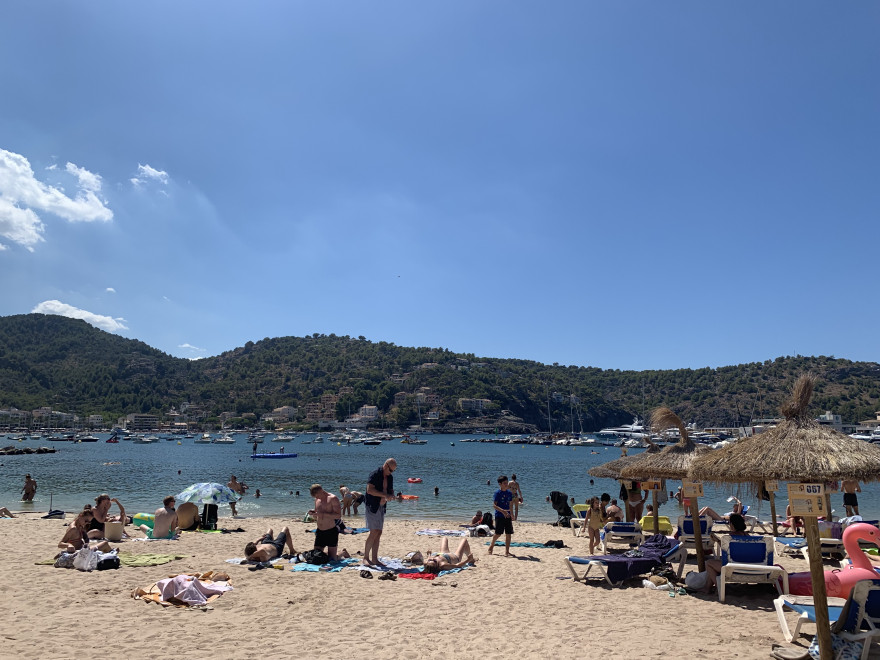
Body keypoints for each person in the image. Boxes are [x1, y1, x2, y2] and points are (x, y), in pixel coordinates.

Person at [702, 514, 749, 593]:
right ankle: (707, 587)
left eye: (729, 523)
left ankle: (719, 588)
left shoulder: (730, 537)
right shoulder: (748, 537)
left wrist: (718, 541)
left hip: (734, 568)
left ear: (732, 525)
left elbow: (726, 551)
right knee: (715, 565)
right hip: (748, 566)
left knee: (709, 563)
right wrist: (719, 541)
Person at [363, 458, 396, 567]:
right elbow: (370, 490)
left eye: (393, 471)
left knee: (379, 532)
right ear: (386, 466)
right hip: (372, 505)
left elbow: (390, 491)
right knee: (374, 531)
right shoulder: (375, 474)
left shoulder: (390, 477)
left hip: (382, 506)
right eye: (390, 470)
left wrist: (391, 496)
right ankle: (366, 558)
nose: (391, 473)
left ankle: (375, 558)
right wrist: (384, 495)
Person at [309, 484, 341, 560]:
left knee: (332, 558)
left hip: (331, 530)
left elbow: (338, 516)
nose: (316, 498)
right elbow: (317, 514)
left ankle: (343, 552)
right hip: (320, 531)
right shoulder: (317, 500)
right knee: (316, 556)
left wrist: (322, 514)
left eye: (317, 496)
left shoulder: (332, 498)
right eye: (315, 497)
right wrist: (313, 513)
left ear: (321, 491)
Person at [488, 475, 514, 556]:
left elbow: (510, 504)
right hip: (499, 515)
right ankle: (491, 545)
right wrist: (503, 511)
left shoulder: (509, 493)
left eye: (507, 483)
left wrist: (512, 514)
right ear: (500, 484)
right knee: (498, 534)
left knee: (508, 534)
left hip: (508, 515)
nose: (506, 484)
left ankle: (507, 551)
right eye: (504, 483)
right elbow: (494, 505)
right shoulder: (497, 493)